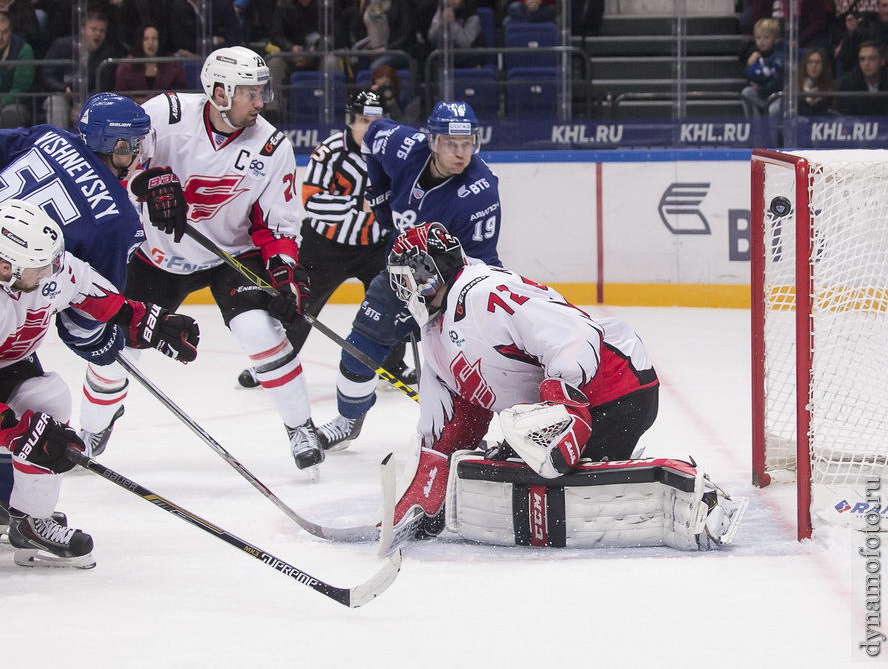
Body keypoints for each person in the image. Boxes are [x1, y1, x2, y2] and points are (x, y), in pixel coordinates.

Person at [383, 222, 742, 550]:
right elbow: (464, 413)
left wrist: (565, 408)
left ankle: (702, 495)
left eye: (407, 280)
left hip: (618, 389)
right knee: (512, 475)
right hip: (563, 406)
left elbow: (574, 334)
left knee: (557, 486)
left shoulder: (484, 293)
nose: (405, 292)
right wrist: (434, 481)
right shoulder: (435, 335)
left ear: (430, 272)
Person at [79, 47, 326, 480]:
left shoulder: (271, 145)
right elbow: (117, 167)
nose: (261, 101)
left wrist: (286, 276)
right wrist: (148, 183)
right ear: (218, 92)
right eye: (250, 92)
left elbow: (277, 226)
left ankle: (300, 427)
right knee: (114, 350)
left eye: (262, 91)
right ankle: (90, 430)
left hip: (229, 255)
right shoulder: (164, 115)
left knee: (258, 329)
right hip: (155, 256)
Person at [0, 199, 198, 568]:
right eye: (38, 269)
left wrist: (144, 321)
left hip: (8, 364)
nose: (49, 275)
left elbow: (86, 289)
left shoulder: (41, 271)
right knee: (25, 430)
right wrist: (14, 430)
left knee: (47, 401)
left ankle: (30, 520)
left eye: (51, 263)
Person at [315, 101, 502, 451]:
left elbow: (481, 261)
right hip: (401, 270)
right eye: (451, 143)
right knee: (359, 348)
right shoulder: (401, 146)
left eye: (467, 144)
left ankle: (465, 435)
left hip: (456, 281)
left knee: (456, 367)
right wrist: (379, 193)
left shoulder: (479, 190)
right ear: (431, 141)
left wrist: (455, 306)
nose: (461, 153)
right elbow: (370, 135)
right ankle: (347, 419)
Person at [237, 89, 401, 390]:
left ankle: (395, 366)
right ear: (350, 121)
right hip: (325, 246)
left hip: (375, 245)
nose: (371, 127)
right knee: (299, 302)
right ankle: (273, 362)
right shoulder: (329, 151)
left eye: (377, 120)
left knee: (391, 302)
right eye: (364, 120)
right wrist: (360, 203)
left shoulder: (392, 153)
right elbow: (312, 200)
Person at [40, 11, 120, 129]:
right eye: (93, 29)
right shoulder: (61, 45)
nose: (98, 34)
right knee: (56, 102)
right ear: (83, 29)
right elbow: (46, 74)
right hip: (63, 94)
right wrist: (63, 88)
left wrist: (83, 105)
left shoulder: (107, 53)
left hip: (91, 98)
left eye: (102, 31)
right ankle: (61, 142)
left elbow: (104, 85)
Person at [348, 0, 417, 72]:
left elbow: (407, 33)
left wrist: (385, 49)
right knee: (355, 67)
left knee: (375, 68)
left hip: (395, 50)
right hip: (368, 51)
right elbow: (354, 28)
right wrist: (361, 49)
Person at [169, 0, 244, 58]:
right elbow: (179, 42)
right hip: (189, 61)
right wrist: (215, 40)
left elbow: (233, 38)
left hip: (221, 59)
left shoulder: (223, 4)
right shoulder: (177, 8)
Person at [747, 0, 829, 49]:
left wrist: (798, 42)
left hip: (805, 45)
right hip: (771, 46)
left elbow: (818, 22)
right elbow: (758, 22)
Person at [113, 21, 188, 102]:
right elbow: (120, 94)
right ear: (140, 41)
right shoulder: (127, 66)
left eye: (154, 39)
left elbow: (181, 92)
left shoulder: (172, 64)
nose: (150, 43)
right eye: (146, 39)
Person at [426, 0, 486, 69]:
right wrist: (440, 25)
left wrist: (452, 24)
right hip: (445, 58)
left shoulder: (472, 16)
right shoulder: (441, 11)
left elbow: (465, 44)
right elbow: (431, 39)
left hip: (468, 59)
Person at [741, 17, 787, 117]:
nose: (761, 41)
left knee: (773, 109)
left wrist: (759, 89)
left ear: (776, 39)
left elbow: (778, 81)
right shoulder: (756, 55)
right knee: (747, 92)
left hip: (780, 97)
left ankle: (773, 133)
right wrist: (749, 65)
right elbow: (751, 78)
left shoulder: (780, 55)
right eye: (758, 37)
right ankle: (756, 130)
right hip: (764, 95)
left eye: (766, 37)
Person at [0, 12, 36, 128]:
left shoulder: (24, 49)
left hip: (17, 103)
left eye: (4, 32)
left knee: (8, 116)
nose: (0, 37)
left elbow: (20, 89)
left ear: (10, 31)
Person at [838, 39, 888, 114]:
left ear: (882, 61)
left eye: (872, 59)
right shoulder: (848, 84)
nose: (866, 63)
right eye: (862, 59)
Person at [798, 46, 837, 115]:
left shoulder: (831, 88)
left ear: (823, 65)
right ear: (805, 65)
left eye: (818, 62)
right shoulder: (794, 86)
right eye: (810, 62)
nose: (813, 66)